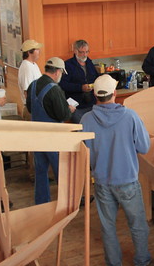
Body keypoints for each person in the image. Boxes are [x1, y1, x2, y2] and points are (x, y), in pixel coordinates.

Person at [80, 74, 154, 266]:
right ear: (115, 94)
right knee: (138, 225)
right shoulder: (130, 116)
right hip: (127, 182)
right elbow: (143, 147)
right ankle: (142, 263)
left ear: (95, 96)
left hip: (101, 182)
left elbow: (84, 153)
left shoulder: (86, 120)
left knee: (107, 226)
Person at [26, 57, 75, 204]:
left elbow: (30, 108)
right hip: (53, 137)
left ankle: (41, 202)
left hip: (37, 135)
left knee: (41, 171)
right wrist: (70, 109)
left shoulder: (33, 86)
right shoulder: (55, 89)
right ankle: (68, 201)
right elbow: (63, 114)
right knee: (61, 170)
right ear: (58, 72)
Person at [60, 40, 99, 124]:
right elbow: (63, 85)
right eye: (82, 52)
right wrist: (80, 88)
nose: (85, 55)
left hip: (92, 104)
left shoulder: (89, 63)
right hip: (76, 107)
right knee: (82, 129)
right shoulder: (67, 65)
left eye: (86, 52)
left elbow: (96, 77)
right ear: (75, 51)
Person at [18, 39, 43, 119]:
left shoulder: (34, 64)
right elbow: (27, 92)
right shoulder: (26, 67)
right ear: (29, 52)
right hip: (31, 108)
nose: (39, 51)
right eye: (37, 49)